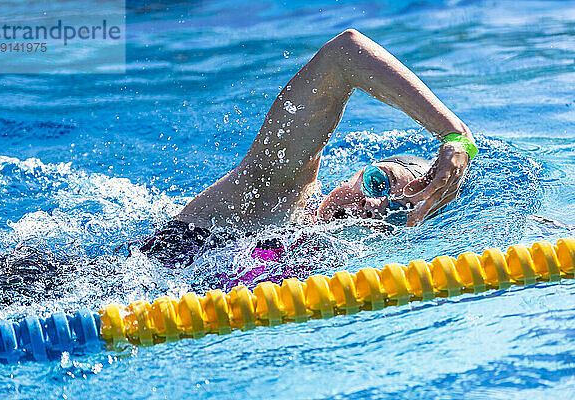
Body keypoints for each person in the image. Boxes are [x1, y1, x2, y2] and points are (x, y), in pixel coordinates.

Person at [141, 29, 477, 266]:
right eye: (377, 182)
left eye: (395, 212)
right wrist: (453, 134)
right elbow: (345, 54)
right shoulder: (275, 193)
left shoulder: (342, 275)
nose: (373, 204)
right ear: (358, 174)